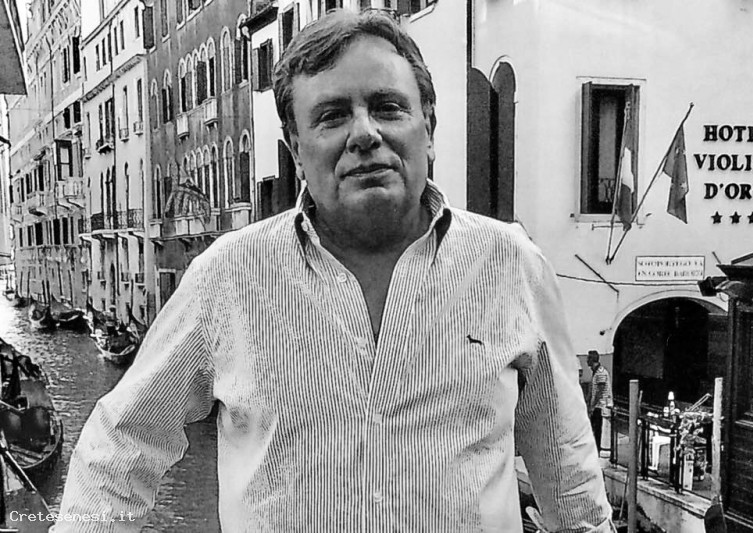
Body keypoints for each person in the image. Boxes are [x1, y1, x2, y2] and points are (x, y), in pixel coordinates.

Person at [55, 9, 613, 532]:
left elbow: (570, 483)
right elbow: (119, 448)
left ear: (429, 126)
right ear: (296, 149)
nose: (365, 133)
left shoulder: (511, 264)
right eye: (332, 116)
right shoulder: (227, 277)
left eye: (388, 107)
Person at [587, 350, 611, 453]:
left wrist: (592, 406)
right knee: (594, 429)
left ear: (592, 360)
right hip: (596, 405)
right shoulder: (596, 372)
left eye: (588, 359)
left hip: (600, 406)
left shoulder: (600, 372)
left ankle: (596, 450)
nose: (587, 361)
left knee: (597, 430)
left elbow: (599, 392)